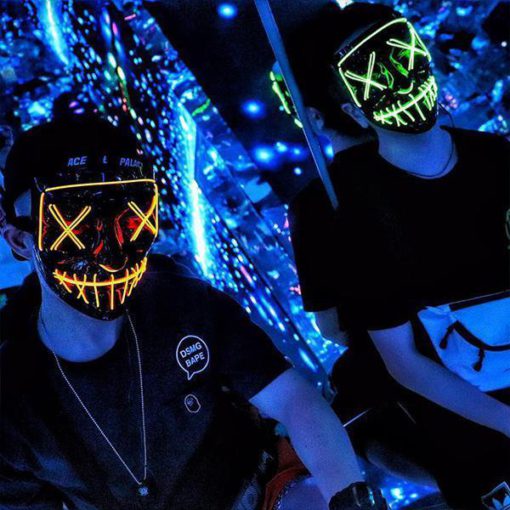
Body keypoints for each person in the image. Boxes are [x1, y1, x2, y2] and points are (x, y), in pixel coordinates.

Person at [0, 114, 390, 510]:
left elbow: (293, 399)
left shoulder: (184, 303)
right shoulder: (13, 397)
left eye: (128, 215)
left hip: (261, 489)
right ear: (19, 239)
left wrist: (349, 496)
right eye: (74, 218)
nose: (109, 248)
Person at [282, 2, 510, 508]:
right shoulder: (350, 214)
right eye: (381, 79)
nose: (406, 85)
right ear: (352, 110)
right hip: (478, 440)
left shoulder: (496, 158)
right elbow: (400, 360)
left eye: (409, 62)